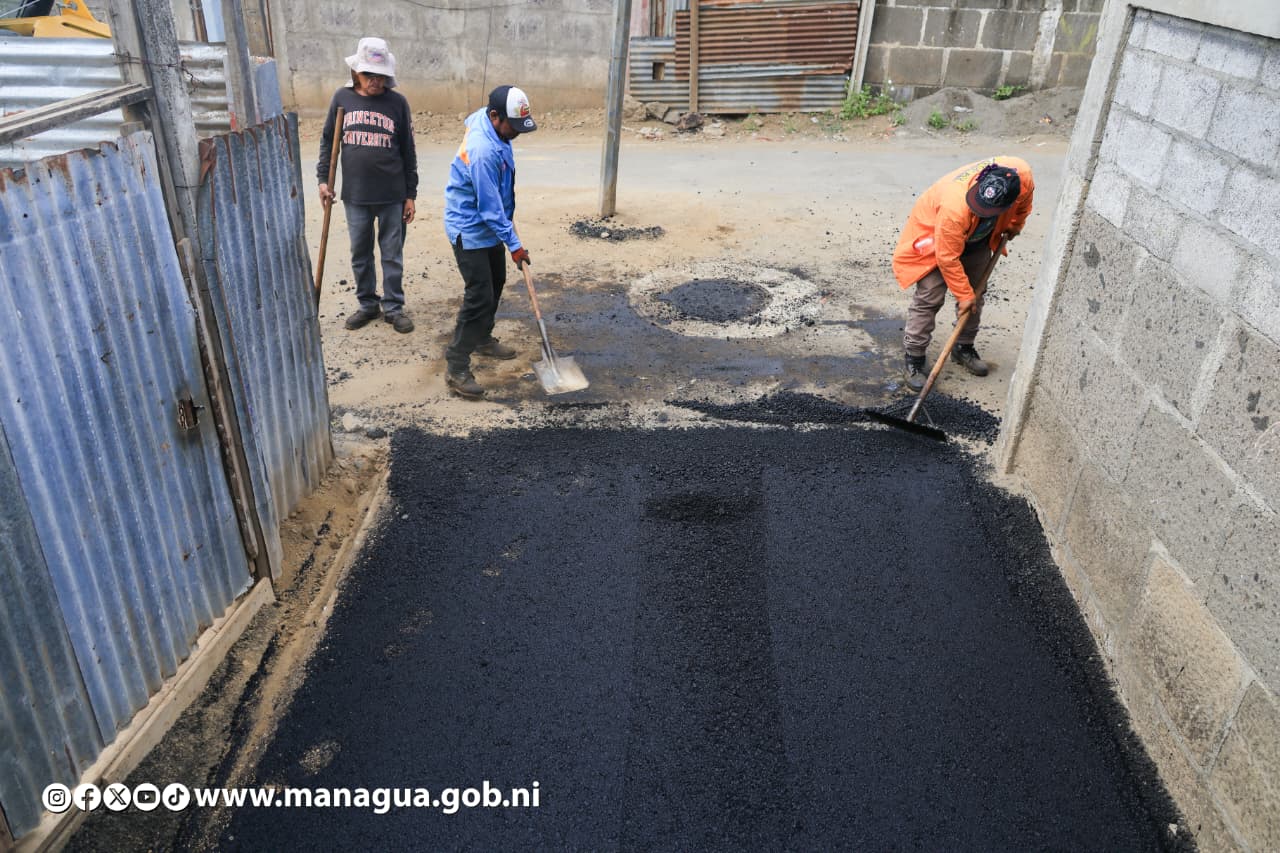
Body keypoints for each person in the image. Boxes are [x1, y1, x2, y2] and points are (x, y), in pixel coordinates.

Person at [891, 156, 1034, 391]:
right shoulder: (954, 207)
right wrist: (963, 294)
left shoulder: (1022, 177)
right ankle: (914, 359)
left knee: (976, 295)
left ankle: (963, 347)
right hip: (934, 240)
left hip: (978, 238)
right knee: (930, 296)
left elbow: (1024, 205)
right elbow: (947, 257)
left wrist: (1015, 225)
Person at [440, 85, 538, 399]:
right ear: (495, 116)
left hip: (490, 226)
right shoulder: (482, 151)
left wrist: (507, 229)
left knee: (496, 282)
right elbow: (489, 208)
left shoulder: (493, 126)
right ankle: (456, 365)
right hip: (470, 227)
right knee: (479, 295)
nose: (517, 133)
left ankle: (482, 337)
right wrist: (515, 244)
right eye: (513, 126)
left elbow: (497, 200)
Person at [317, 36, 418, 334]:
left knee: (391, 254)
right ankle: (367, 304)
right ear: (356, 73)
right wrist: (323, 180)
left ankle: (394, 307)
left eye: (381, 75)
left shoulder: (397, 103)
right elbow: (328, 142)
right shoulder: (342, 98)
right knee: (360, 252)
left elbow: (408, 150)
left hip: (392, 195)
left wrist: (410, 194)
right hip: (356, 196)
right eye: (369, 74)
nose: (375, 80)